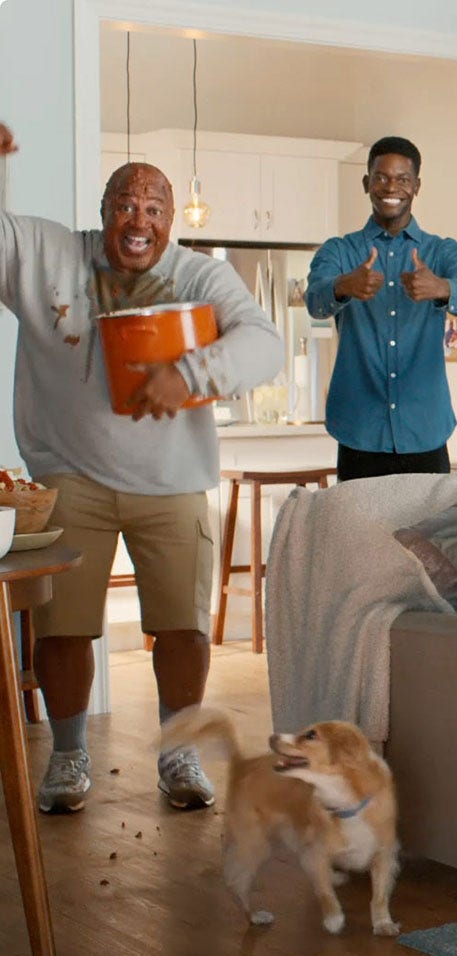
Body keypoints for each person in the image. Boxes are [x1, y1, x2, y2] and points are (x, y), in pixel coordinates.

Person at [0, 123, 285, 814]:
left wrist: (190, 372)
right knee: (64, 629)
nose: (140, 219)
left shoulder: (198, 275)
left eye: (156, 208)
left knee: (184, 629)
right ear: (102, 214)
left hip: (174, 481)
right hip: (69, 475)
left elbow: (265, 345)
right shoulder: (47, 254)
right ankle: (68, 758)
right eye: (126, 205)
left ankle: (179, 752)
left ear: (169, 223)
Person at [305, 136, 457, 482]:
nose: (391, 187)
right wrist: (344, 286)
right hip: (359, 430)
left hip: (426, 428)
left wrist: (441, 288)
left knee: (431, 535)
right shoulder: (339, 251)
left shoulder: (442, 251)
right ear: (367, 183)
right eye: (381, 177)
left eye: (403, 179)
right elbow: (314, 300)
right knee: (360, 536)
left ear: (416, 186)